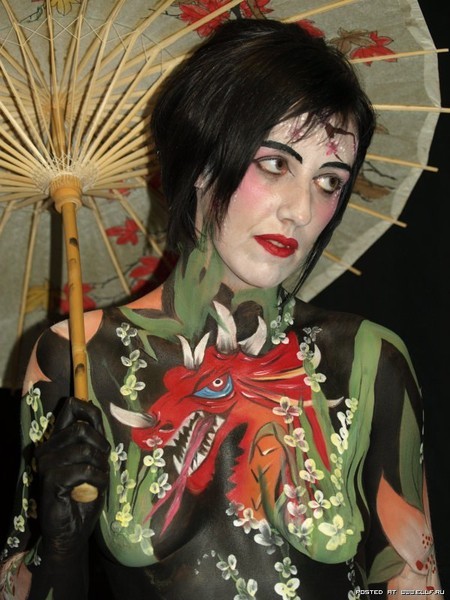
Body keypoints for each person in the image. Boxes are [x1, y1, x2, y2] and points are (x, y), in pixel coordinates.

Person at [0, 17, 443, 600]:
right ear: (205, 158)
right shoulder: (78, 357)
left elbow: (415, 585)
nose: (301, 210)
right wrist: (57, 547)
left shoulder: (367, 361)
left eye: (329, 181)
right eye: (276, 164)